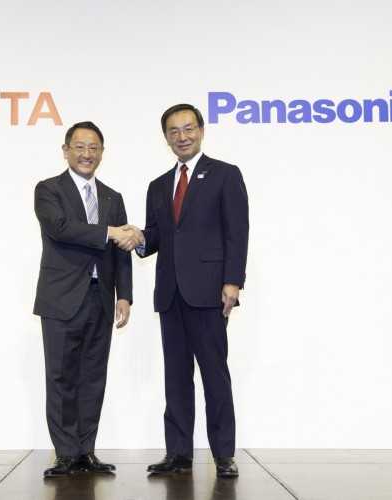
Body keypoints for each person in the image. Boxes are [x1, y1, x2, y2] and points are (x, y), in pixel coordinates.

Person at [128, 103, 249, 478]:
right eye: (174, 131)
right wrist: (137, 239)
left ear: (201, 130)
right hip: (170, 293)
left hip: (210, 292)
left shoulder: (225, 175)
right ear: (166, 137)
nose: (182, 136)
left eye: (188, 128)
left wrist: (233, 281)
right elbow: (157, 236)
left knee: (215, 374)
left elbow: (237, 231)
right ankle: (178, 454)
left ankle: (223, 455)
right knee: (176, 377)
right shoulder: (158, 185)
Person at [33, 121, 139, 477]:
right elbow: (60, 228)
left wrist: (124, 295)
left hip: (101, 298)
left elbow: (122, 252)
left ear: (102, 153)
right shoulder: (48, 190)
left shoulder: (112, 197)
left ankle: (85, 451)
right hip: (61, 298)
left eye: (94, 148)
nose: (86, 154)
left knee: (93, 377)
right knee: (61, 377)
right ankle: (65, 453)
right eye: (79, 147)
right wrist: (109, 231)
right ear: (66, 151)